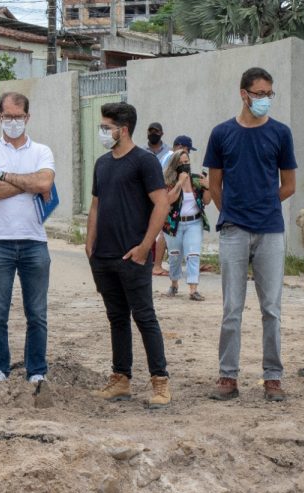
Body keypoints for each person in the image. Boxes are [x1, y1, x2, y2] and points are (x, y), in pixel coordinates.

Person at [203, 67, 297, 402]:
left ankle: (273, 377)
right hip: (233, 230)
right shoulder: (221, 133)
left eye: (269, 94)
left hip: (271, 230)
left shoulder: (281, 134)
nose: (265, 100)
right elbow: (214, 186)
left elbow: (289, 185)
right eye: (259, 94)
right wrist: (233, 212)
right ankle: (227, 377)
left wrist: (263, 204)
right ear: (243, 94)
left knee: (271, 307)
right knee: (232, 308)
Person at [86, 102, 172, 407]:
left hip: (133, 256)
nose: (102, 132)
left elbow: (161, 204)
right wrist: (89, 243)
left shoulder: (144, 162)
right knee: (117, 317)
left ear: (123, 129)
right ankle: (120, 379)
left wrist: (145, 246)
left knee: (144, 317)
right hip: (104, 256)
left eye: (106, 127)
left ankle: (160, 382)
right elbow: (96, 205)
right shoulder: (102, 163)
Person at [0, 92, 55, 386]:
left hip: (35, 242)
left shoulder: (42, 151)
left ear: (27, 118)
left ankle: (36, 369)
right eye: (7, 116)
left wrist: (5, 176)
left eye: (18, 117)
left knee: (37, 313)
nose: (12, 122)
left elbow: (45, 183)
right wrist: (27, 183)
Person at [162, 150, 211, 301]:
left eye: (187, 162)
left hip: (194, 222)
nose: (185, 166)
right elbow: (169, 200)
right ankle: (174, 283)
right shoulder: (169, 181)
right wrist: (180, 183)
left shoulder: (197, 180)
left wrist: (208, 187)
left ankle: (193, 289)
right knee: (175, 255)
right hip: (174, 223)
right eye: (181, 163)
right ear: (175, 165)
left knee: (193, 254)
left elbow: (207, 201)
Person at [152, 135, 199, 276]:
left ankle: (163, 265)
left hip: (165, 196)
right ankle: (158, 266)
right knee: (164, 233)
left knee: (166, 233)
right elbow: (168, 177)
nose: (188, 154)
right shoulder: (173, 158)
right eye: (188, 149)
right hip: (168, 198)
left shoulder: (167, 155)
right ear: (181, 147)